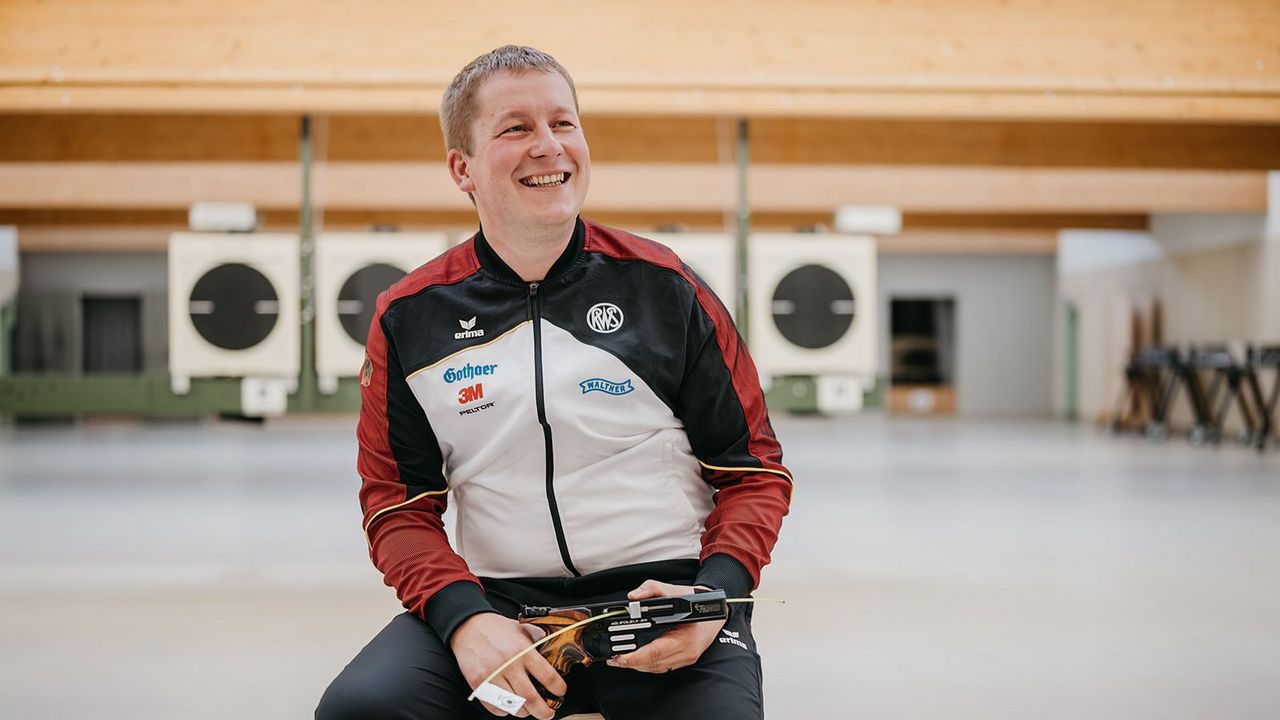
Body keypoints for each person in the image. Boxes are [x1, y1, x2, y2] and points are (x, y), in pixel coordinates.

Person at [317, 45, 792, 720]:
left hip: (665, 600)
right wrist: (464, 621)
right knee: (361, 710)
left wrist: (716, 596)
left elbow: (754, 472)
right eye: (516, 129)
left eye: (563, 124)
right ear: (463, 168)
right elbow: (397, 509)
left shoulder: (668, 289)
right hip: (501, 606)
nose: (549, 147)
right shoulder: (409, 318)